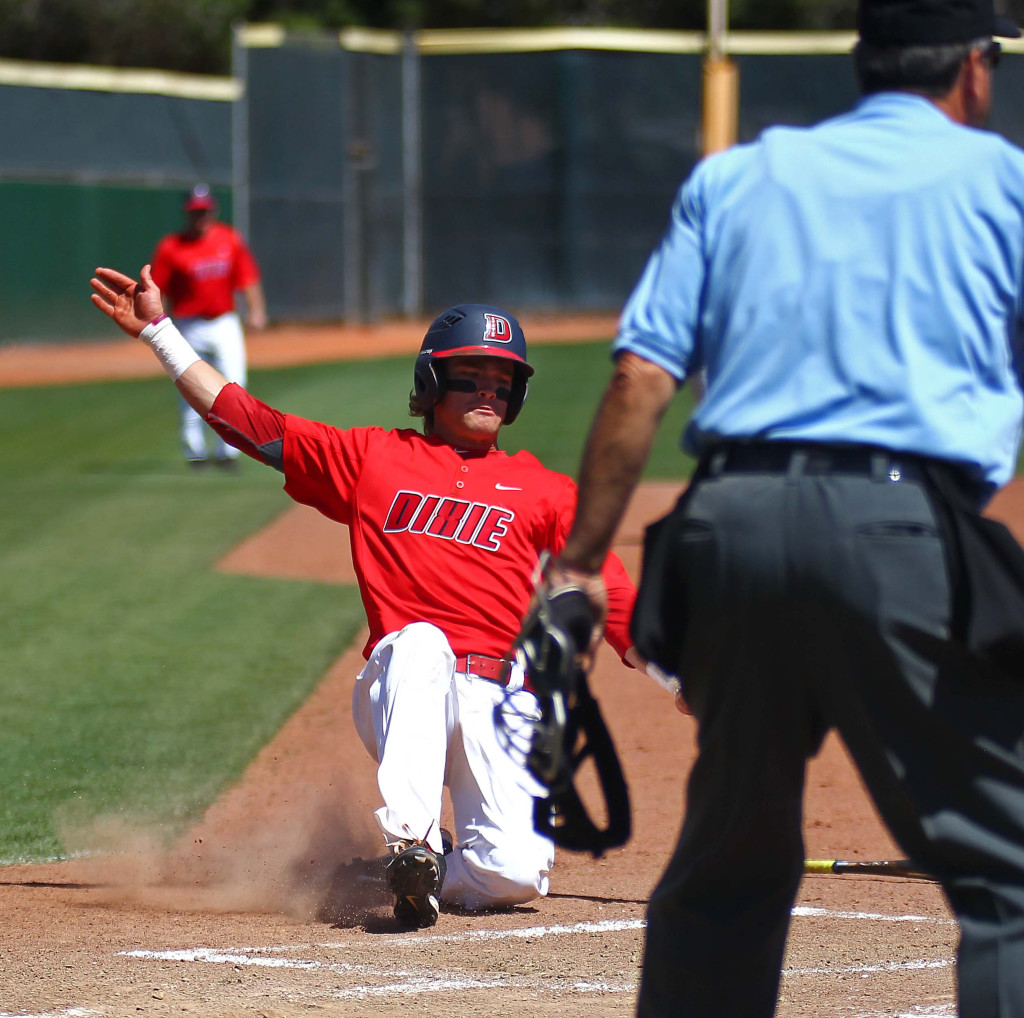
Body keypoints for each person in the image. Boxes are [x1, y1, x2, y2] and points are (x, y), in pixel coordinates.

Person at [545, 0, 1024, 1014]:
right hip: (897, 531)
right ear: (973, 71)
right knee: (1006, 873)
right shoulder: (1003, 182)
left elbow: (639, 380)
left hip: (730, 532)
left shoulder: (737, 176)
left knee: (726, 868)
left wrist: (581, 565)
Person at [89, 266, 643, 929]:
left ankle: (426, 873)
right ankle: (409, 842)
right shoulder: (375, 459)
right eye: (470, 376)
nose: (489, 391)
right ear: (432, 384)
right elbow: (249, 422)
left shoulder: (546, 490)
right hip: (403, 681)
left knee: (516, 873)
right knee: (423, 640)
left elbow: (614, 595)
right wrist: (160, 332)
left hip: (496, 697)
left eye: (504, 381)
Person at [150, 184, 267, 470]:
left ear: (212, 210)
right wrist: (157, 324)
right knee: (190, 389)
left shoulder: (229, 239)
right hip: (187, 326)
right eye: (195, 212)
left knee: (234, 386)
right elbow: (158, 289)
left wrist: (257, 310)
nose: (200, 217)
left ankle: (229, 452)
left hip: (224, 323)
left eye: (204, 211)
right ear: (187, 213)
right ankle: (196, 452)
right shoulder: (171, 247)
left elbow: (247, 278)